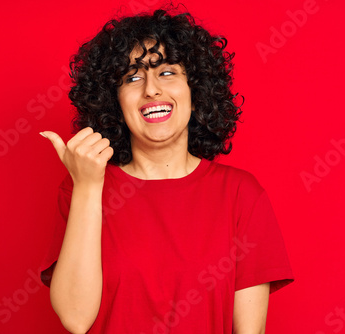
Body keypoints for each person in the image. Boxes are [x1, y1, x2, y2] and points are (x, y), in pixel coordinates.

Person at [39, 4, 294, 334]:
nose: (151, 89)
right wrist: (88, 186)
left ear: (196, 88)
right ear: (114, 100)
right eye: (132, 77)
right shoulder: (81, 188)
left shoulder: (241, 195)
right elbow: (75, 318)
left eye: (167, 72)